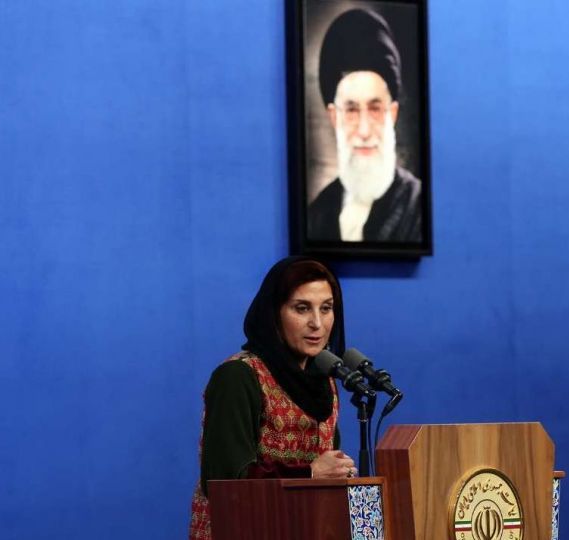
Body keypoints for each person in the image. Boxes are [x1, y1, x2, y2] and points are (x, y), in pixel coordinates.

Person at [189, 257, 356, 539]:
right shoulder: (239, 376)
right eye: (302, 308)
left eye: (326, 308)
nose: (317, 323)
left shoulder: (325, 380)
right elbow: (225, 481)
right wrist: (309, 474)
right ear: (274, 314)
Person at [307, 8, 423, 243]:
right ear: (334, 117)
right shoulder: (318, 214)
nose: (364, 131)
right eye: (351, 110)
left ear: (392, 114)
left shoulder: (418, 206)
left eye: (375, 109)